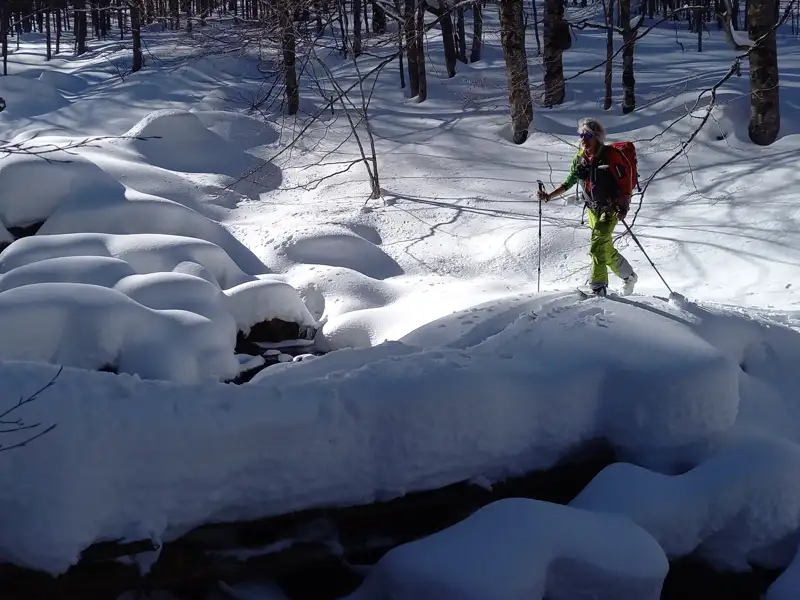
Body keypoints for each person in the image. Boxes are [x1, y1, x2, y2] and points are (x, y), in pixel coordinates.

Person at [538, 118, 638, 297]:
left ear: (597, 137)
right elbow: (568, 182)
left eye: (588, 135)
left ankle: (598, 289)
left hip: (611, 208)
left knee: (597, 246)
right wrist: (548, 196)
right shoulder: (579, 159)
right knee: (604, 248)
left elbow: (625, 182)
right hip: (593, 209)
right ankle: (629, 276)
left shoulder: (611, 155)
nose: (583, 139)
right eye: (581, 135)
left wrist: (624, 206)